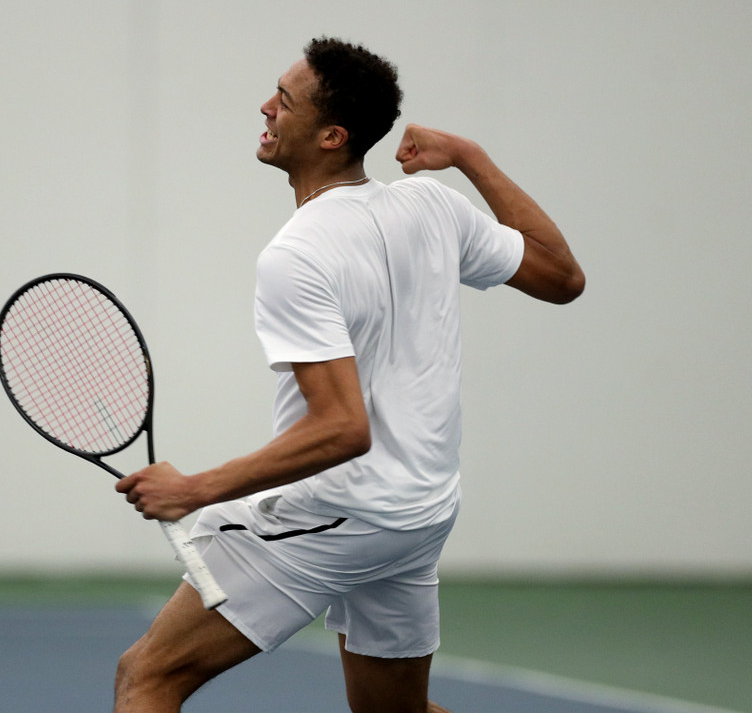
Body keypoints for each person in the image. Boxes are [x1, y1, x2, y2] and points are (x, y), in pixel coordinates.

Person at [113, 36, 584, 713]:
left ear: (332, 136)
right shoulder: (435, 206)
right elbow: (561, 275)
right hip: (420, 512)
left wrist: (195, 489)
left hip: (340, 514)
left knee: (149, 676)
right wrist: (471, 158)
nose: (266, 107)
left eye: (285, 100)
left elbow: (342, 430)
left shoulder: (296, 256)